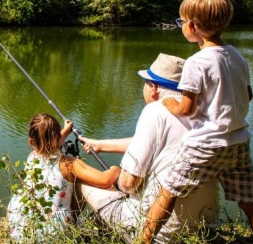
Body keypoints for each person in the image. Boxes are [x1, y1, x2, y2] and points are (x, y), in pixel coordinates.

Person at [144, 0, 253, 243]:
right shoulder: (237, 56)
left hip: (204, 144)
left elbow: (187, 109)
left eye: (181, 22)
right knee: (251, 202)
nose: (181, 26)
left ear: (192, 26)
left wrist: (170, 104)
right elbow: (248, 95)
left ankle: (144, 241)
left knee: (167, 193)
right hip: (237, 142)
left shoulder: (196, 62)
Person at [78, 53, 219, 243]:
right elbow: (156, 143)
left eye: (145, 83)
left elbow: (129, 183)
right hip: (204, 228)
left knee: (82, 180)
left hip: (161, 233)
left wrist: (114, 179)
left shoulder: (155, 110)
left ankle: (74, 235)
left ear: (153, 88)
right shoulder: (205, 113)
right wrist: (100, 145)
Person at [6, 112, 120, 241]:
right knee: (80, 181)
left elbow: (48, 144)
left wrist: (65, 130)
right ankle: (76, 222)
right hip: (53, 232)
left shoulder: (32, 156)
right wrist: (115, 169)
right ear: (57, 139)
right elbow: (105, 180)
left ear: (31, 142)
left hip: (23, 226)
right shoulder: (69, 164)